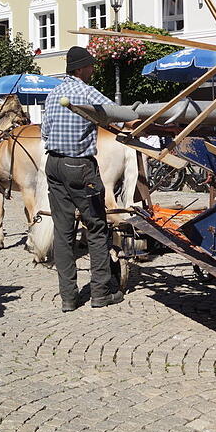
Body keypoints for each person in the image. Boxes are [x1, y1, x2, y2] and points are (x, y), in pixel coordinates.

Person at [43, 46, 129, 312]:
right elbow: (118, 115)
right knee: (96, 227)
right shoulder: (86, 91)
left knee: (63, 232)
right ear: (80, 69)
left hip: (53, 164)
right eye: (90, 65)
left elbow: (45, 133)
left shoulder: (53, 93)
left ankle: (68, 298)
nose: (93, 69)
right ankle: (100, 293)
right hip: (79, 166)